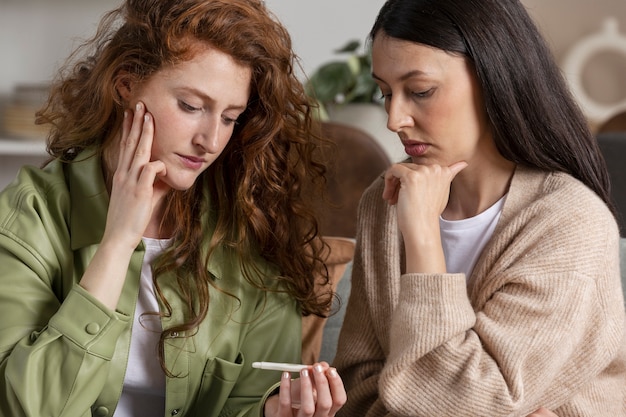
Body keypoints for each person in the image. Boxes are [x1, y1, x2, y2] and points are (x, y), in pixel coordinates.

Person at [0, 0, 347, 416]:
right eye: (191, 106)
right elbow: (28, 407)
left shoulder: (249, 226)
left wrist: (272, 412)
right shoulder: (29, 216)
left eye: (229, 117)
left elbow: (250, 397)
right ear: (125, 85)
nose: (210, 141)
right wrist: (117, 243)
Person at [333, 0, 626, 416]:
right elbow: (355, 388)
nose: (394, 118)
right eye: (385, 92)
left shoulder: (569, 223)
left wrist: (422, 238)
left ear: (494, 79)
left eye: (420, 91)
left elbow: (466, 404)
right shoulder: (384, 203)